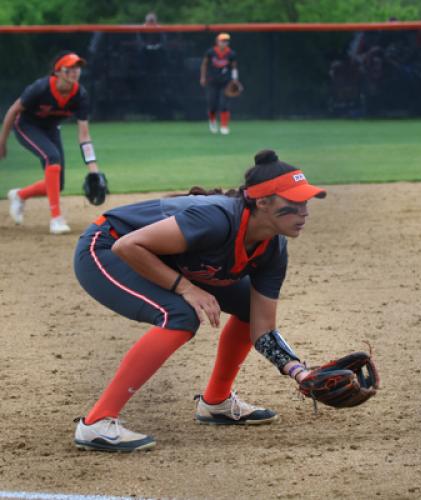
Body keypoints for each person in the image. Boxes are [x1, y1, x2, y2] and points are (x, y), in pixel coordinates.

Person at [73, 149, 326, 452]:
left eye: (306, 202)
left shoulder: (273, 249)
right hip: (107, 246)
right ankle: (97, 423)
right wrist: (185, 288)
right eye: (294, 203)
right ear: (263, 202)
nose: (304, 212)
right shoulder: (217, 219)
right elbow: (129, 245)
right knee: (180, 314)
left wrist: (300, 372)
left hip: (160, 258)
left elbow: (262, 329)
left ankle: (216, 403)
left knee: (248, 307)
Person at [0, 51, 101, 234]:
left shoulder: (80, 95)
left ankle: (19, 195)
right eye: (70, 68)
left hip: (50, 129)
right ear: (58, 71)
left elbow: (84, 135)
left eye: (77, 68)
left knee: (57, 184)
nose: (75, 72)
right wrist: (2, 142)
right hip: (26, 125)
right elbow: (13, 111)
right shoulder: (41, 88)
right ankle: (56, 218)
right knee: (52, 157)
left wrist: (93, 167)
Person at [200, 33, 239, 135]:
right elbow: (204, 64)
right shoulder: (211, 52)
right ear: (217, 41)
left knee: (224, 104)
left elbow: (234, 67)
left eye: (226, 41)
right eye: (222, 40)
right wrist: (203, 77)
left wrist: (235, 79)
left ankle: (224, 126)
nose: (224, 42)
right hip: (212, 81)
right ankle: (212, 121)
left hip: (226, 82)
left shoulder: (231, 53)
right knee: (212, 104)